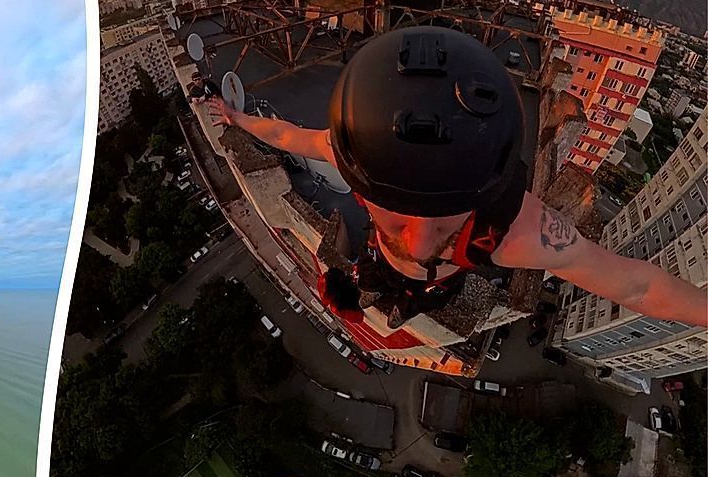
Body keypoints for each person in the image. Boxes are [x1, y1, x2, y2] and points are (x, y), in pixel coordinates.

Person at [208, 26, 706, 329]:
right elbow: (286, 134)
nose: (423, 241)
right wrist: (237, 118)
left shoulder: (514, 229)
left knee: (411, 291)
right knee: (380, 282)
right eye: (401, 210)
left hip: (440, 287)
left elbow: (636, 287)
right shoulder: (358, 161)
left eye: (446, 219)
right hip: (386, 267)